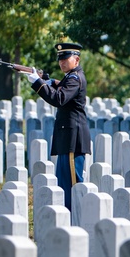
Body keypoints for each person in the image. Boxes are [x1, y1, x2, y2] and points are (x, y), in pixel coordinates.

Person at [23, 42, 91, 210]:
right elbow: (60, 85)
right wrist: (48, 80)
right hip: (66, 139)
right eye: (60, 59)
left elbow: (58, 98)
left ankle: (78, 219)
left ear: (76, 59)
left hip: (73, 141)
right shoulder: (70, 77)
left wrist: (37, 83)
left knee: (73, 185)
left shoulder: (75, 78)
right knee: (64, 183)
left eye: (65, 59)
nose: (61, 62)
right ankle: (68, 219)